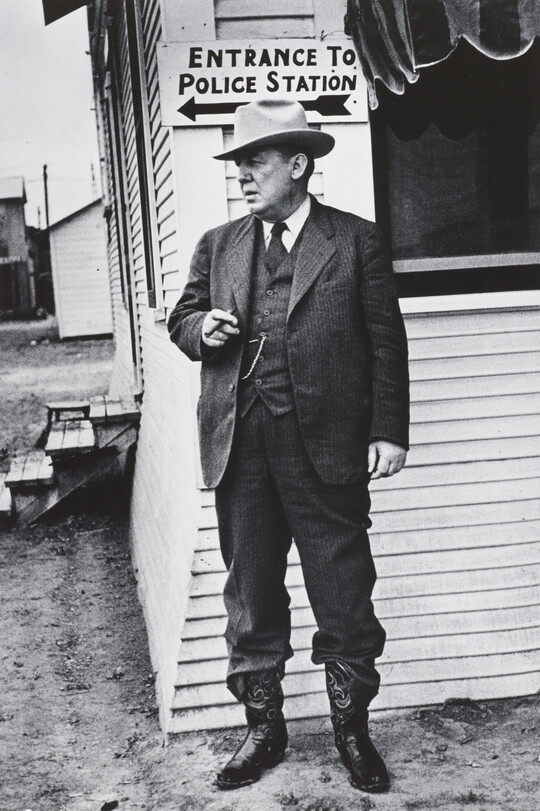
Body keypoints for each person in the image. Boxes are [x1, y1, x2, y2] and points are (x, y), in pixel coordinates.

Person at [168, 99, 409, 794]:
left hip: (327, 447)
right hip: (240, 445)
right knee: (249, 594)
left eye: (256, 162)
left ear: (299, 165)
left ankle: (352, 732)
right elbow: (181, 316)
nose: (243, 175)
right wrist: (199, 329)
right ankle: (263, 732)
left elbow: (385, 342)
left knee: (343, 592)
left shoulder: (356, 241)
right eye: (239, 163)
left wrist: (388, 429)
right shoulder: (219, 244)